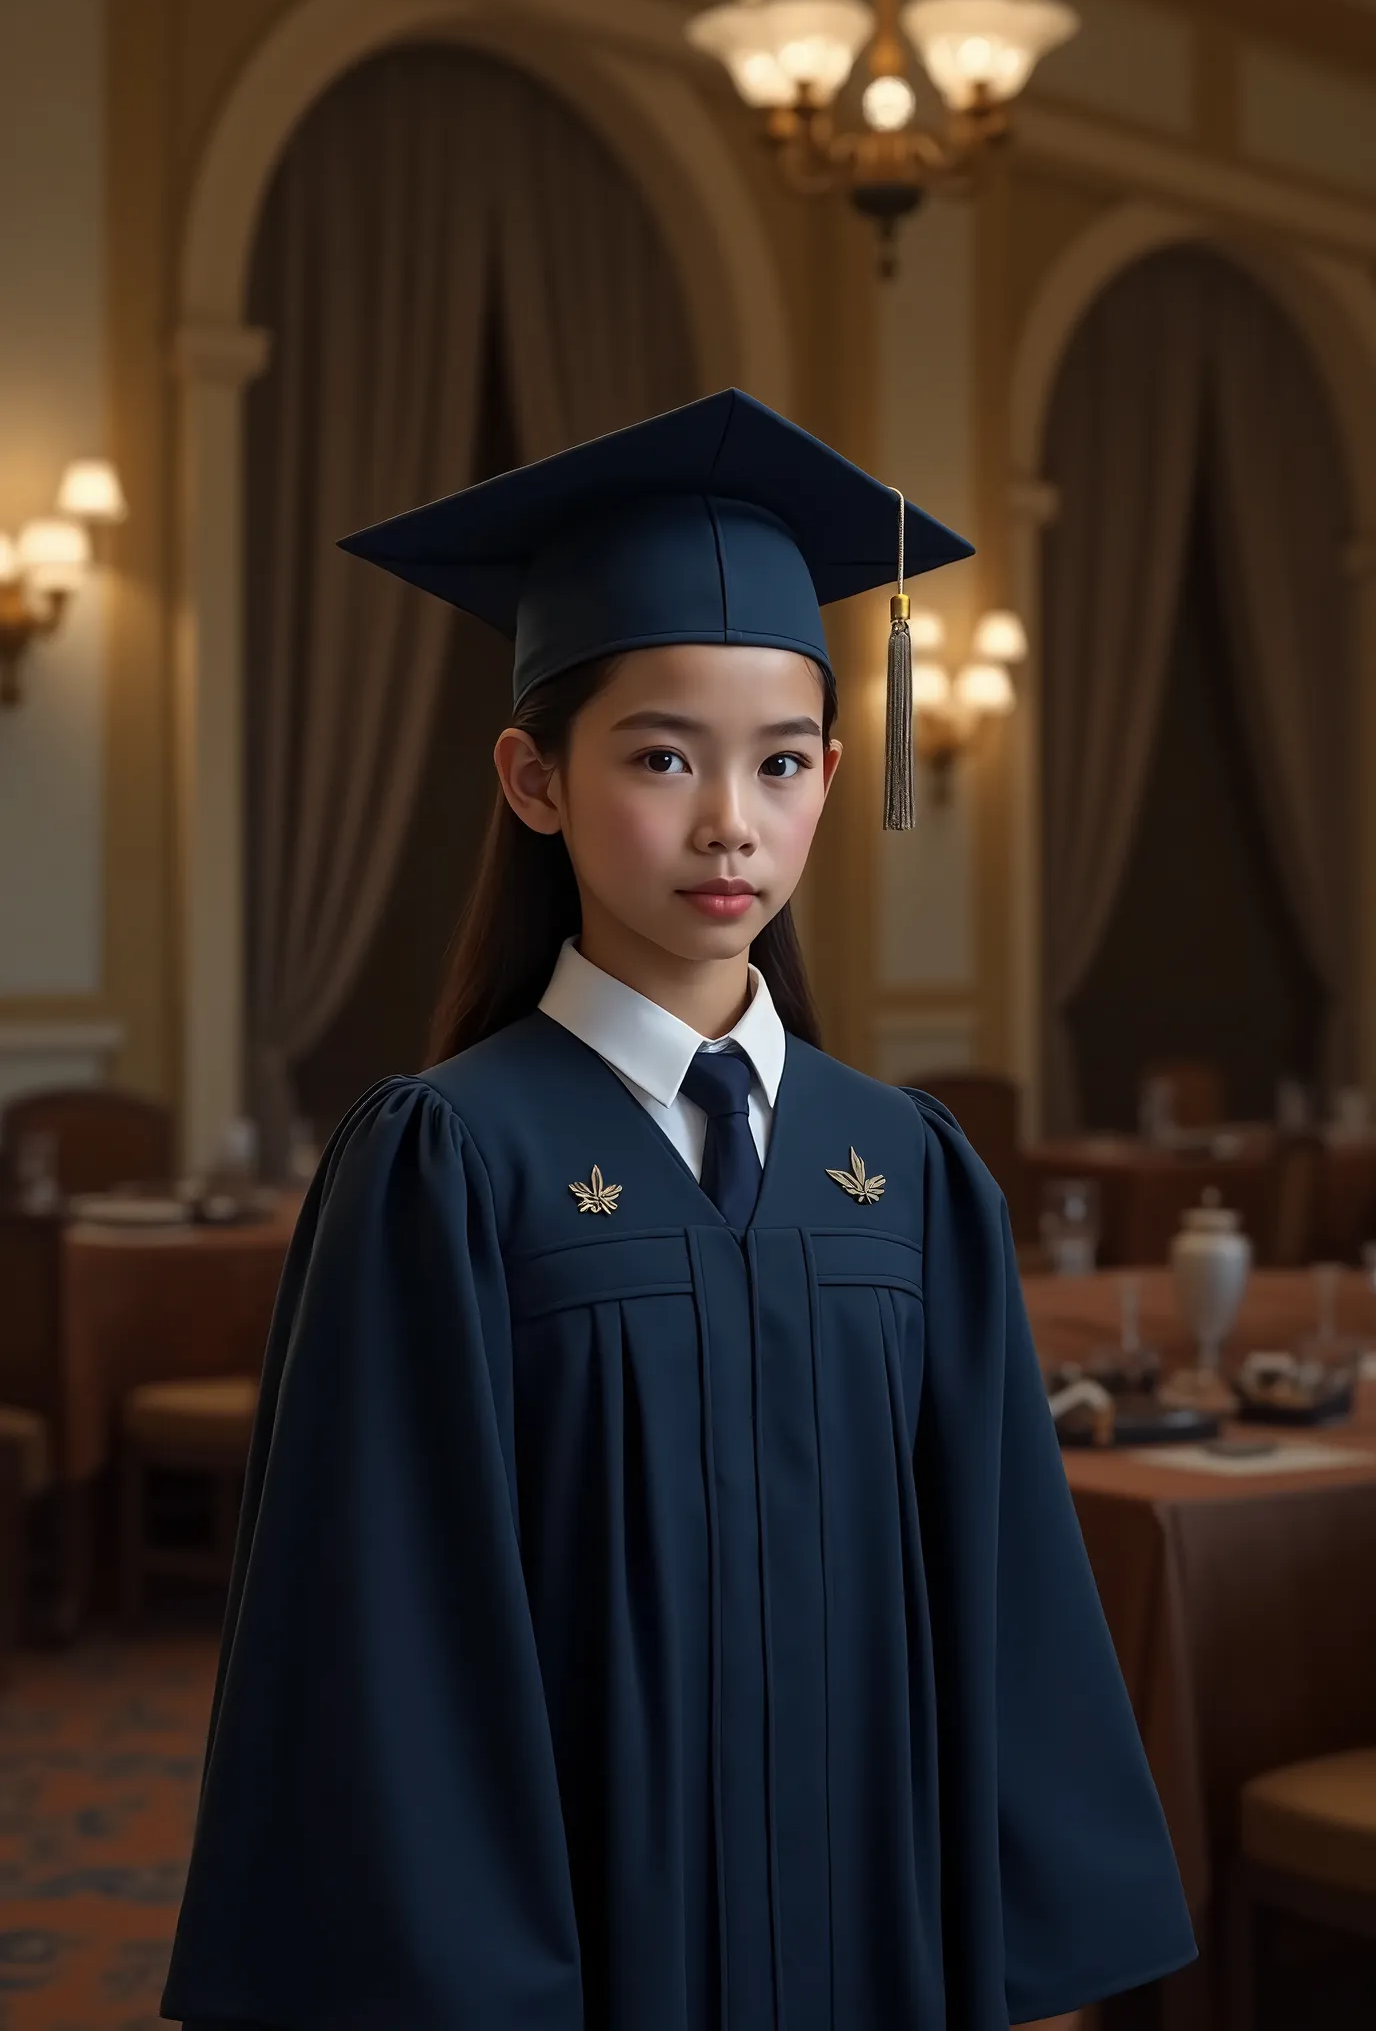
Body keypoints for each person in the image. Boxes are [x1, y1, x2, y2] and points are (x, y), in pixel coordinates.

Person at [161, 390, 1196, 2031]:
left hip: (881, 1921)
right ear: (532, 778)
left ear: (837, 776)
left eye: (782, 763)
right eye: (660, 756)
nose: (732, 820)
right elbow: (389, 1642)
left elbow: (1005, 1588)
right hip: (585, 1936)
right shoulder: (447, 1162)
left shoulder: (908, 1168)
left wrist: (1018, 1934)